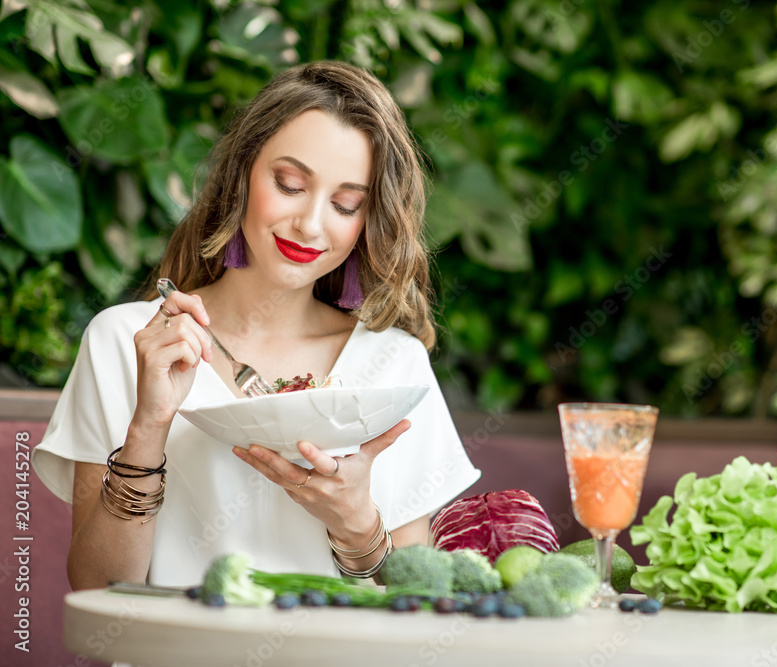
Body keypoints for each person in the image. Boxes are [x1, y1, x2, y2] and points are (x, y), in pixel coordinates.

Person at [32, 61, 480, 589]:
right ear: (242, 173)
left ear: (367, 220)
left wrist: (356, 522)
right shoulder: (126, 341)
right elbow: (95, 588)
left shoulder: (394, 364)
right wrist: (148, 429)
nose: (310, 224)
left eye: (344, 204)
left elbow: (417, 599)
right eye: (289, 184)